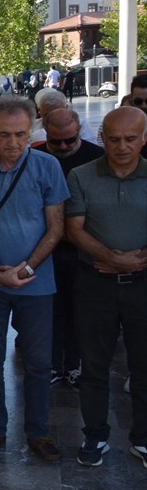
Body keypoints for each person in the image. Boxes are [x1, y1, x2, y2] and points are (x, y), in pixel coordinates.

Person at [0, 97, 68, 463]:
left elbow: (56, 229)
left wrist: (24, 271)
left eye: (21, 134)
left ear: (33, 129)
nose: (13, 143)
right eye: (4, 135)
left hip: (35, 284)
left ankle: (37, 432)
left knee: (38, 362)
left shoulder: (48, 167)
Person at [66, 106, 147, 468]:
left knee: (144, 365)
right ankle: (95, 435)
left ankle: (143, 438)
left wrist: (136, 259)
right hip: (94, 284)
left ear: (144, 138)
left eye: (131, 139)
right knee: (94, 366)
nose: (122, 147)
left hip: (143, 284)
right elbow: (74, 229)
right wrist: (113, 258)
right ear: (102, 138)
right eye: (113, 139)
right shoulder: (82, 175)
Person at [36, 108, 105, 386]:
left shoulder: (95, 158)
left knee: (81, 309)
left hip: (83, 249)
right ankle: (52, 363)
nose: (63, 146)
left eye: (70, 140)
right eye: (57, 142)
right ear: (46, 136)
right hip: (46, 248)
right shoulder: (37, 157)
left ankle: (74, 362)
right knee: (50, 309)